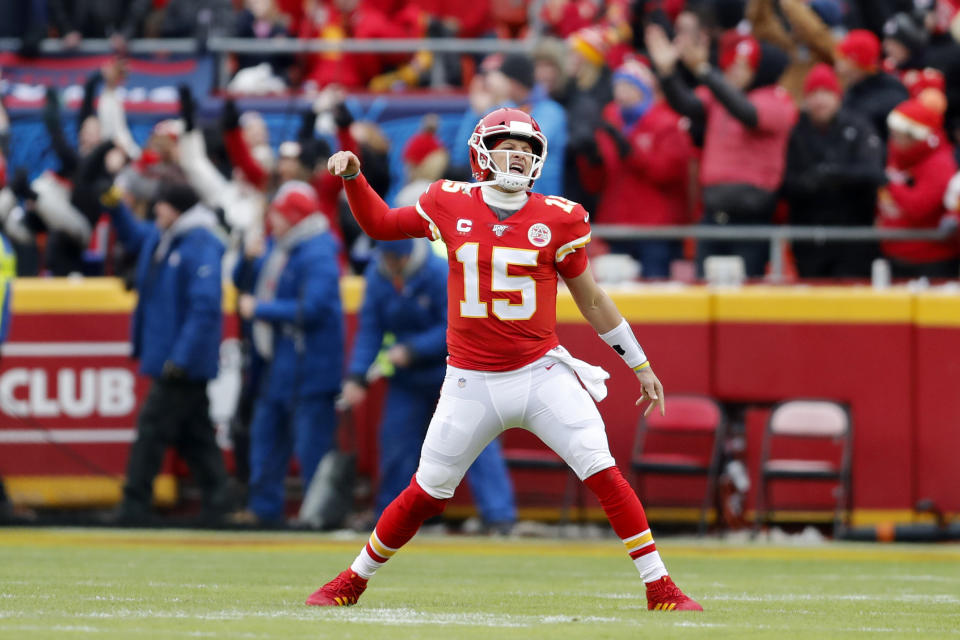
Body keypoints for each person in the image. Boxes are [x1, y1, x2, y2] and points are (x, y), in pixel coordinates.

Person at [307, 107, 702, 611]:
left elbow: (593, 299)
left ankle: (660, 587)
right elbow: (382, 224)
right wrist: (355, 178)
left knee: (603, 470)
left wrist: (640, 364)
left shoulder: (561, 217)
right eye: (506, 145)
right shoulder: (447, 201)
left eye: (527, 149)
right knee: (427, 492)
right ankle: (353, 580)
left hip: (541, 373)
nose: (517, 156)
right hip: (470, 380)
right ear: (482, 150)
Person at [342, 238, 517, 530]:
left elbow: (455, 324)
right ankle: (391, 518)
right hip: (407, 378)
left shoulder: (439, 272)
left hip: (454, 371)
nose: (388, 263)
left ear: (406, 254)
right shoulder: (377, 275)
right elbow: (370, 329)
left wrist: (412, 349)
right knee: (396, 442)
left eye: (392, 257)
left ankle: (499, 516)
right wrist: (357, 375)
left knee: (476, 439)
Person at [104, 181, 230, 524]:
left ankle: (134, 503)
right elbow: (132, 233)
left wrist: (182, 357)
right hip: (171, 357)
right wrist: (113, 203)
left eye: (161, 204)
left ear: (176, 208)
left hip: (181, 362)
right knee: (195, 435)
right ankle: (219, 501)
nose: (156, 210)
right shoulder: (166, 237)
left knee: (152, 429)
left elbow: (204, 307)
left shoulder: (201, 242)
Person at [647, 26, 797, 278]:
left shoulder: (776, 100)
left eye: (744, 65)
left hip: (751, 217)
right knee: (703, 286)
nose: (733, 70)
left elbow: (747, 112)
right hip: (713, 213)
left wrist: (705, 71)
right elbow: (687, 104)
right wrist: (668, 73)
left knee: (744, 292)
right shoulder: (721, 96)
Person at [234, 181, 344, 524]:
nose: (273, 222)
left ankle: (316, 513)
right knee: (266, 438)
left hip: (309, 366)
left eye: (279, 215)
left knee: (311, 444)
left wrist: (263, 310)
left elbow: (313, 308)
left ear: (294, 217)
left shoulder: (319, 252)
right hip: (277, 363)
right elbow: (243, 282)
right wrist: (246, 259)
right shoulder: (278, 246)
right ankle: (264, 508)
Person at [577, 57, 695, 278]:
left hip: (655, 230)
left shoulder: (667, 123)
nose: (621, 93)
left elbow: (669, 173)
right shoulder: (610, 121)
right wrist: (590, 160)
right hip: (617, 227)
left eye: (628, 86)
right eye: (618, 86)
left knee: (655, 293)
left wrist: (632, 154)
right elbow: (597, 183)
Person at [783, 64, 886, 278]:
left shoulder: (858, 127)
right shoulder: (797, 133)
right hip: (809, 239)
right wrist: (811, 182)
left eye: (826, 93)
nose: (820, 100)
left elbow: (874, 174)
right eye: (814, 93)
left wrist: (835, 175)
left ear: (838, 96)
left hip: (852, 238)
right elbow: (785, 182)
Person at [877, 90, 960, 278]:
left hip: (931, 260)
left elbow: (918, 207)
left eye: (898, 135)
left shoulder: (940, 164)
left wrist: (888, 183)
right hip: (895, 254)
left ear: (915, 136)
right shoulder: (898, 154)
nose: (893, 140)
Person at [835, 29, 910, 144]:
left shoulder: (890, 95)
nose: (837, 64)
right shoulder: (854, 89)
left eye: (843, 58)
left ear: (856, 64)